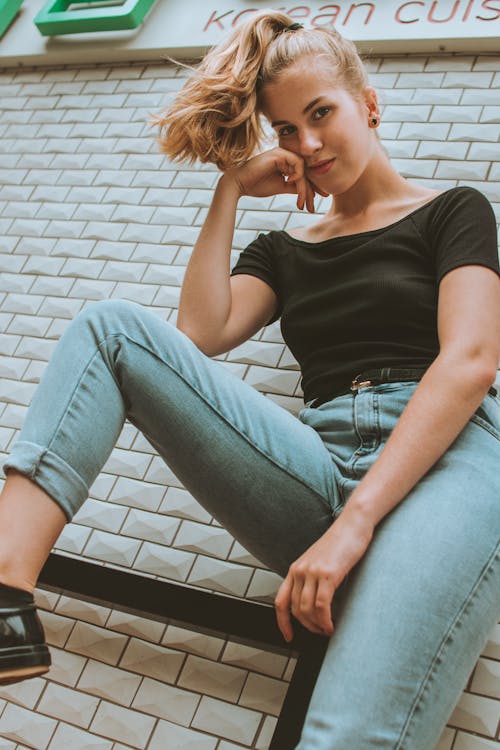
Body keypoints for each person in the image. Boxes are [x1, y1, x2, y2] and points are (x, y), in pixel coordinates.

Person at [0, 9, 499, 749]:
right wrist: (230, 187)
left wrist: (355, 527)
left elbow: (470, 361)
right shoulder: (286, 250)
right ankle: (6, 599)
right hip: (320, 464)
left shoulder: (453, 211)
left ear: (369, 103)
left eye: (321, 113)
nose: (308, 144)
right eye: (288, 129)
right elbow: (198, 335)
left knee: (344, 735)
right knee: (110, 331)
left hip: (446, 460)